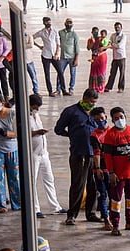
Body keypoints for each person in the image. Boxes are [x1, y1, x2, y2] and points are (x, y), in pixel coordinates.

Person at [55, 89, 98, 225]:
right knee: (78, 184)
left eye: (94, 103)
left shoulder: (94, 113)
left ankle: (91, 213)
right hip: (79, 153)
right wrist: (72, 135)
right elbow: (58, 129)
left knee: (93, 185)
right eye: (91, 102)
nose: (92, 105)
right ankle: (72, 214)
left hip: (94, 154)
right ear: (84, 98)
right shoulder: (71, 111)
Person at [102, 106, 130, 233]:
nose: (120, 120)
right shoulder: (110, 135)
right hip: (118, 175)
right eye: (116, 118)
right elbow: (107, 156)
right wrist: (112, 172)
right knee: (116, 200)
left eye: (121, 117)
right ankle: (115, 225)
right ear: (112, 121)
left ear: (125, 117)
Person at [28, 94, 65, 218]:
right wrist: (36, 133)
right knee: (32, 181)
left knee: (49, 179)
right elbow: (20, 133)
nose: (37, 109)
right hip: (32, 154)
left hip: (43, 153)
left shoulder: (36, 115)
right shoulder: (22, 116)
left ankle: (55, 206)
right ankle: (35, 208)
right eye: (35, 107)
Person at [34, 17, 63, 97]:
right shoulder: (41, 32)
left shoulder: (55, 31)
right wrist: (39, 46)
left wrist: (57, 53)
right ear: (44, 23)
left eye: (49, 22)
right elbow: (32, 37)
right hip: (45, 55)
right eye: (47, 22)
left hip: (54, 55)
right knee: (47, 74)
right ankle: (50, 91)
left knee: (60, 72)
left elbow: (58, 43)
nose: (48, 24)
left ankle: (62, 89)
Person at [58, 18, 80, 96]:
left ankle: (71, 88)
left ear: (72, 24)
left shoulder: (75, 34)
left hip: (72, 57)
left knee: (73, 74)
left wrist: (76, 59)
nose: (69, 24)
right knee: (60, 73)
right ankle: (58, 89)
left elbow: (77, 47)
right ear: (65, 23)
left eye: (70, 23)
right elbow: (57, 42)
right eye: (67, 22)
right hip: (63, 57)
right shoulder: (60, 32)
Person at [105, 22, 126, 93]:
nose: (117, 29)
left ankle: (121, 88)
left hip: (121, 57)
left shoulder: (123, 36)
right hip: (115, 57)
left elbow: (119, 46)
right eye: (116, 27)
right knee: (112, 72)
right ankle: (108, 87)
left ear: (121, 28)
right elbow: (109, 43)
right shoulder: (113, 35)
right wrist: (112, 45)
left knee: (122, 73)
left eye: (118, 27)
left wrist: (112, 45)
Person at [87, 26, 109, 92]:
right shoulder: (90, 40)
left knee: (101, 72)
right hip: (94, 57)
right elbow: (88, 48)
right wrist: (93, 42)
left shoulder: (101, 38)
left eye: (97, 32)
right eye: (94, 32)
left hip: (101, 57)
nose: (95, 33)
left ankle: (101, 87)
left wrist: (103, 47)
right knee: (93, 72)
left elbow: (109, 45)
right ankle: (93, 87)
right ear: (92, 32)